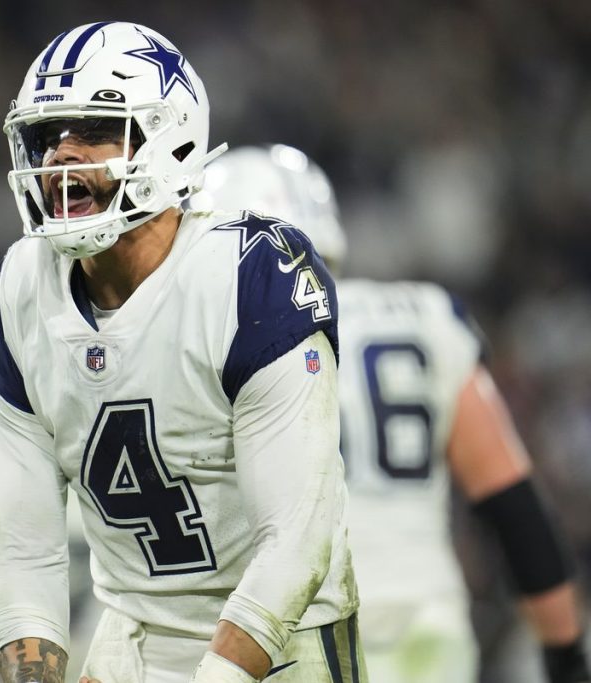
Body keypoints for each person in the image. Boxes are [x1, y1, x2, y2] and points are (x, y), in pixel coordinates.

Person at [0, 22, 367, 683]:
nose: (61, 158)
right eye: (49, 137)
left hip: (278, 645)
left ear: (170, 137)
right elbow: (26, 545)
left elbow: (299, 537)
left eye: (94, 130)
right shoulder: (22, 286)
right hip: (132, 638)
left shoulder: (250, 274)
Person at [197, 144, 591, 683]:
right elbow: (513, 507)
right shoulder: (424, 318)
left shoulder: (208, 346)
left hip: (286, 642)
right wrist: (565, 656)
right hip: (424, 637)